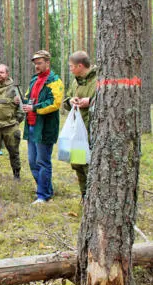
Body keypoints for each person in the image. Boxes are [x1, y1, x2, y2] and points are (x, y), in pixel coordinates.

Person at [20, 50, 64, 205]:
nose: (36, 66)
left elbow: (55, 103)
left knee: (43, 161)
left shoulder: (54, 81)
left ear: (47, 62)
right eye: (35, 64)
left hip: (45, 128)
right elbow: (29, 98)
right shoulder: (34, 80)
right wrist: (22, 102)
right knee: (33, 161)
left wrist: (35, 108)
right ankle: (46, 189)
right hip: (31, 126)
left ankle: (42, 195)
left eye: (39, 63)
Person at [62, 51, 96, 198]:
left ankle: (94, 199)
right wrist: (71, 101)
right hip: (77, 132)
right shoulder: (76, 81)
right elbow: (67, 100)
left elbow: (111, 102)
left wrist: (90, 101)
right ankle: (84, 197)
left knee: (91, 167)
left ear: (80, 66)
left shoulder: (99, 80)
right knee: (78, 164)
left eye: (71, 66)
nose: (70, 69)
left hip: (92, 131)